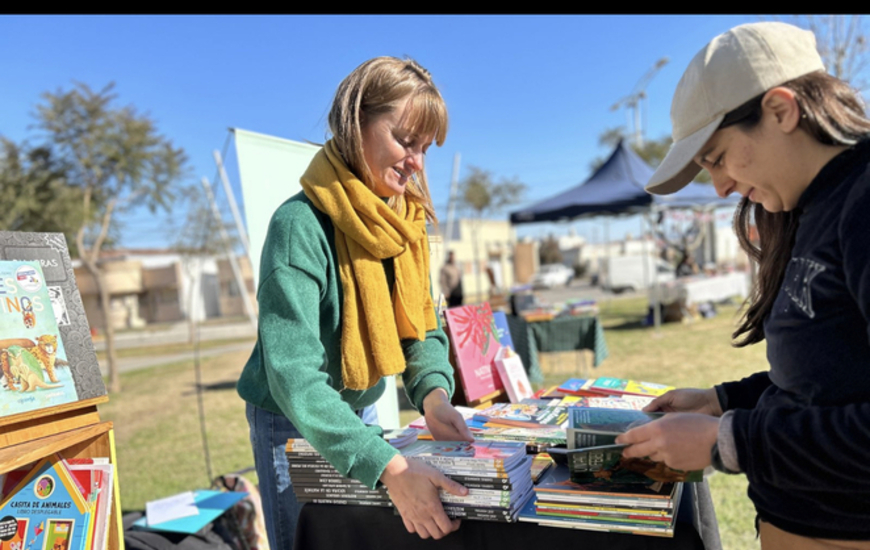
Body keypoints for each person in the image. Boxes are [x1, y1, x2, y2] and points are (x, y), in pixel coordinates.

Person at [618, 22, 870, 548]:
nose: (720, 185)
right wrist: (720, 399)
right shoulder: (809, 206)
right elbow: (826, 381)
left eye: (716, 157)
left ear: (781, 111)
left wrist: (726, 441)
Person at [236, 56, 474, 549]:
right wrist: (389, 466)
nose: (416, 163)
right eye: (406, 141)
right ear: (354, 123)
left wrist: (433, 395)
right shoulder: (298, 227)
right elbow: (293, 375)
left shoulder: (404, 221)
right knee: (308, 539)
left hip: (360, 412)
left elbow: (422, 326)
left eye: (425, 148)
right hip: (292, 420)